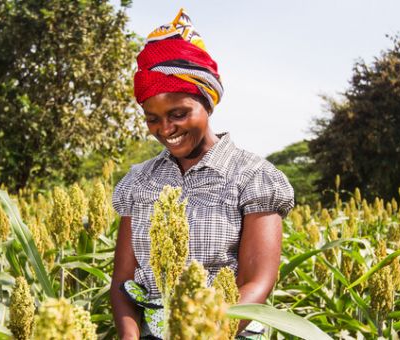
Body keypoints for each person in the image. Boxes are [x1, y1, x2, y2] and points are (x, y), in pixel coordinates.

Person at [109, 8, 294, 339]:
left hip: (226, 331)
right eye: (152, 118)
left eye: (179, 113)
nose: (166, 129)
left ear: (207, 105)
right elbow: (123, 280)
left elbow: (257, 283)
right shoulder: (139, 180)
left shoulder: (252, 176)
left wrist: (205, 332)